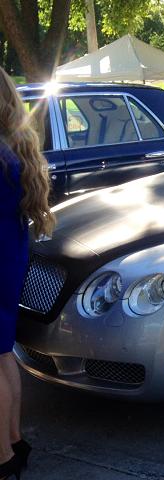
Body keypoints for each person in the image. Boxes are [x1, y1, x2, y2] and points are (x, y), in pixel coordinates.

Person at [0, 66, 56, 480]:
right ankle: (15, 441)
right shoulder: (15, 146)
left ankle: (2, 457)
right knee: (3, 357)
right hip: (10, 257)